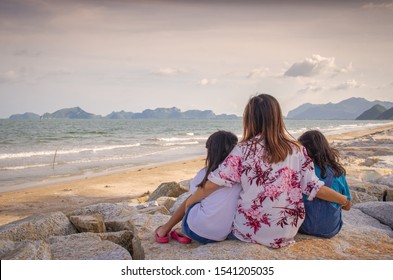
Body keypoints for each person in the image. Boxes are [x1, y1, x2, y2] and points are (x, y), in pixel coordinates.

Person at [185, 94, 352, 249]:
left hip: (248, 233)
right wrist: (345, 201)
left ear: (249, 119)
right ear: (277, 118)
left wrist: (188, 204)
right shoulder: (297, 150)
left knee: (202, 216)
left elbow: (211, 185)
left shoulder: (242, 150)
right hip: (285, 233)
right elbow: (315, 188)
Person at [155, 130, 241, 244]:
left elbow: (190, 202)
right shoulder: (241, 175)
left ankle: (167, 229)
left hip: (197, 230)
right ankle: (183, 231)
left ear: (211, 151)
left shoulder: (205, 174)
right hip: (222, 234)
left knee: (192, 198)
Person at [297, 130, 352, 238]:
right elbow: (348, 206)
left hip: (302, 226)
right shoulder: (337, 172)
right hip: (329, 229)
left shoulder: (301, 171)